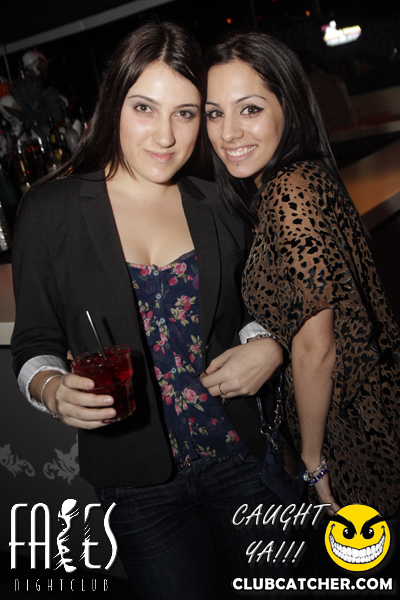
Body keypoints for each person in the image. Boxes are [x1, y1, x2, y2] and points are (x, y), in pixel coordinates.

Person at [11, 22, 288, 600]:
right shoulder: (50, 211)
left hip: (238, 454)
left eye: (185, 114)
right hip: (137, 483)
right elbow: (34, 341)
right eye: (144, 108)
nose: (165, 135)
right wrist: (51, 389)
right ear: (113, 103)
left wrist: (268, 344)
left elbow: (252, 309)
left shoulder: (219, 201)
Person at [204, 29, 400, 518]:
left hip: (353, 433)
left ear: (287, 107)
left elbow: (317, 345)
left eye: (249, 109)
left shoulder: (289, 191)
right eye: (214, 113)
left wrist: (312, 460)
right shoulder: (302, 178)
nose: (228, 133)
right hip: (367, 411)